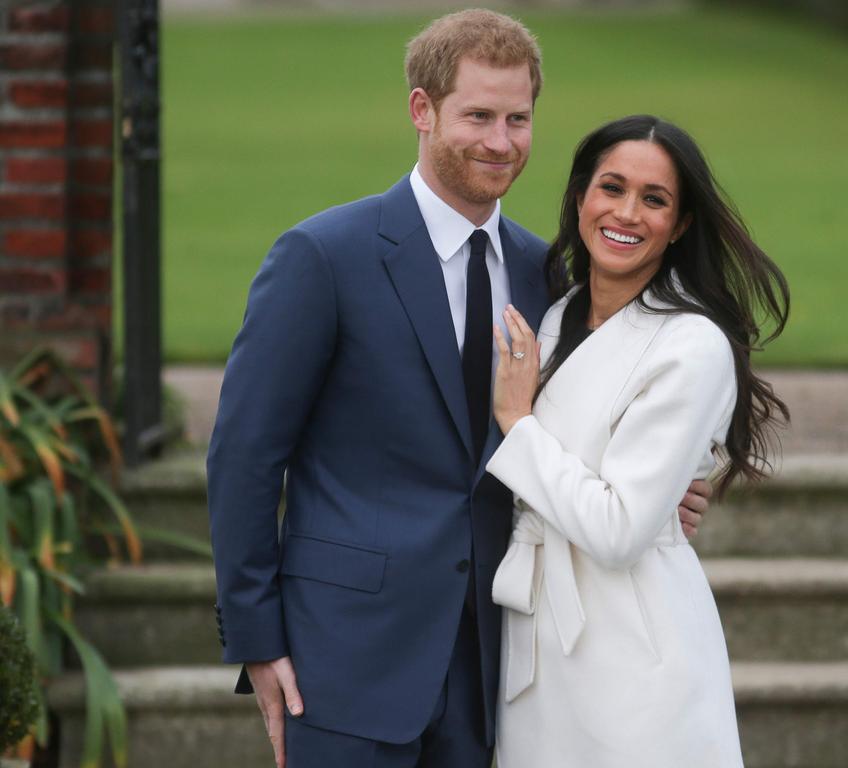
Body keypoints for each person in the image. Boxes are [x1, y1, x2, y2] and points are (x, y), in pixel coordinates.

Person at [206, 11, 711, 768]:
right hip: (343, 661)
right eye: (478, 116)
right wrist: (256, 639)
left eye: (518, 118)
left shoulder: (553, 280)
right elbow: (244, 457)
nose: (500, 142)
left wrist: (658, 483)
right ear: (422, 110)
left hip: (498, 669)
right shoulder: (323, 257)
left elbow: (571, 429)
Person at [485, 115, 790, 766]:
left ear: (679, 225)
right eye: (611, 187)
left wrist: (518, 424)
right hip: (536, 641)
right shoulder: (558, 315)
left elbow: (620, 529)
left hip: (633, 650)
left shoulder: (691, 346)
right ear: (579, 197)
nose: (627, 212)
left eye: (654, 200)